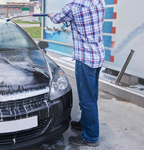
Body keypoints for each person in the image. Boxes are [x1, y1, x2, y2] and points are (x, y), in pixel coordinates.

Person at [48, 0, 106, 147]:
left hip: (85, 58)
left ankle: (90, 137)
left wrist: (50, 14)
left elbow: (57, 18)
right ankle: (85, 124)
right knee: (91, 95)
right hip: (98, 56)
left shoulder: (74, 6)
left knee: (87, 100)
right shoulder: (100, 2)